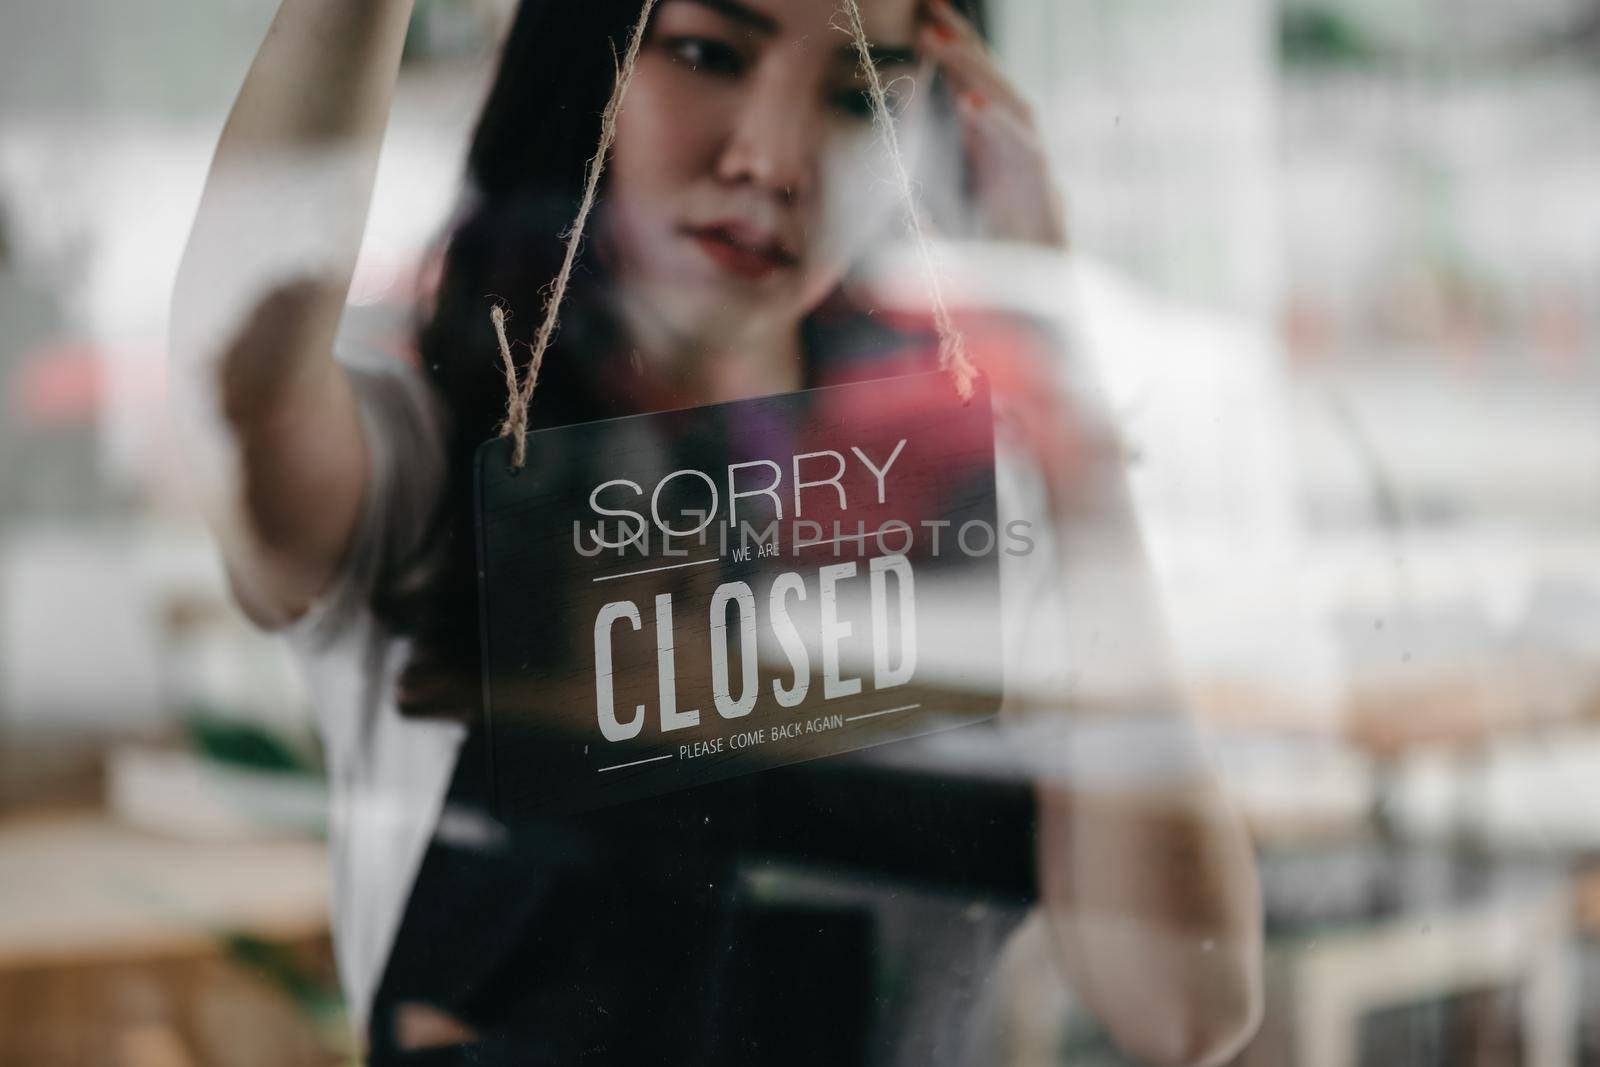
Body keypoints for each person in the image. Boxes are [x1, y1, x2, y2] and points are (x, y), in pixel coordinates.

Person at [171, 0, 1263, 1063]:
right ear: (583, 54)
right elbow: (240, 385)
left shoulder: (966, 493)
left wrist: (1068, 419)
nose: (773, 157)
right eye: (704, 52)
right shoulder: (431, 458)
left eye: (857, 94)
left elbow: (1184, 1008)